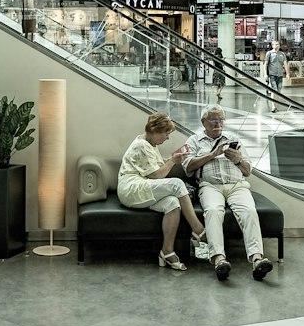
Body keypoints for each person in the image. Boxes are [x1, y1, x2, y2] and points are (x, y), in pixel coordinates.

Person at [184, 107, 273, 282]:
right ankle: (219, 259)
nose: (218, 124)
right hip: (210, 186)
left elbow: (247, 171)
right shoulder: (194, 140)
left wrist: (238, 159)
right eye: (213, 120)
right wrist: (212, 154)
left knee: (249, 211)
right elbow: (188, 167)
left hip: (237, 185)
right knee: (213, 211)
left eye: (221, 120)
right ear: (204, 123)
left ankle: (257, 259)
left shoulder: (234, 140)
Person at [117, 111, 208, 271]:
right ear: (154, 130)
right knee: (177, 184)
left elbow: (155, 169)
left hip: (142, 187)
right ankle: (198, 230)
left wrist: (174, 159)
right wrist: (173, 161)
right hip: (130, 189)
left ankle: (167, 251)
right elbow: (156, 175)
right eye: (166, 133)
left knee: (172, 204)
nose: (167, 138)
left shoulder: (150, 144)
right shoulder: (141, 145)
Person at [265, 42, 288, 113]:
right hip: (272, 75)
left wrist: (287, 74)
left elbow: (285, 64)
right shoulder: (269, 53)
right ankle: (273, 106)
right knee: (274, 90)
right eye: (275, 44)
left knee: (278, 91)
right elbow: (265, 64)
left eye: (278, 44)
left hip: (280, 75)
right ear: (272, 45)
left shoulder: (282, 54)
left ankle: (276, 106)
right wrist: (265, 74)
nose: (276, 46)